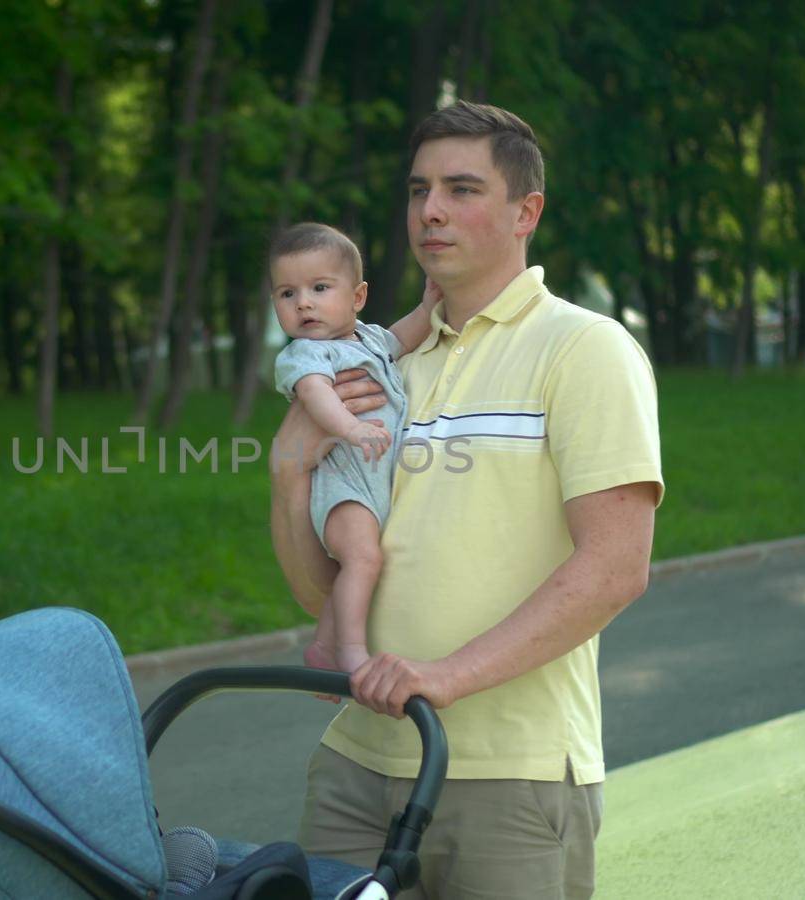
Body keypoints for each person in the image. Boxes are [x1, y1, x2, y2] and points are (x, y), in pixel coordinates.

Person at [268, 101, 664, 899]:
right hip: (354, 764)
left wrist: (444, 676)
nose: (431, 211)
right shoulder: (374, 363)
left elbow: (616, 568)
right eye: (418, 190)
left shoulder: (586, 350)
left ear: (527, 211)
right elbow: (326, 584)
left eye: (461, 188)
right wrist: (287, 473)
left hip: (508, 782)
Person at [268, 222, 441, 675]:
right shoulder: (306, 354)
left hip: (371, 480)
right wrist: (350, 429)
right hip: (344, 481)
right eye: (287, 294)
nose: (303, 302)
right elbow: (316, 395)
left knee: (359, 564)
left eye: (319, 288)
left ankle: (326, 644)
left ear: (357, 297)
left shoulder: (368, 339)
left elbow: (404, 336)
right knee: (363, 558)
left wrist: (428, 305)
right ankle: (348, 652)